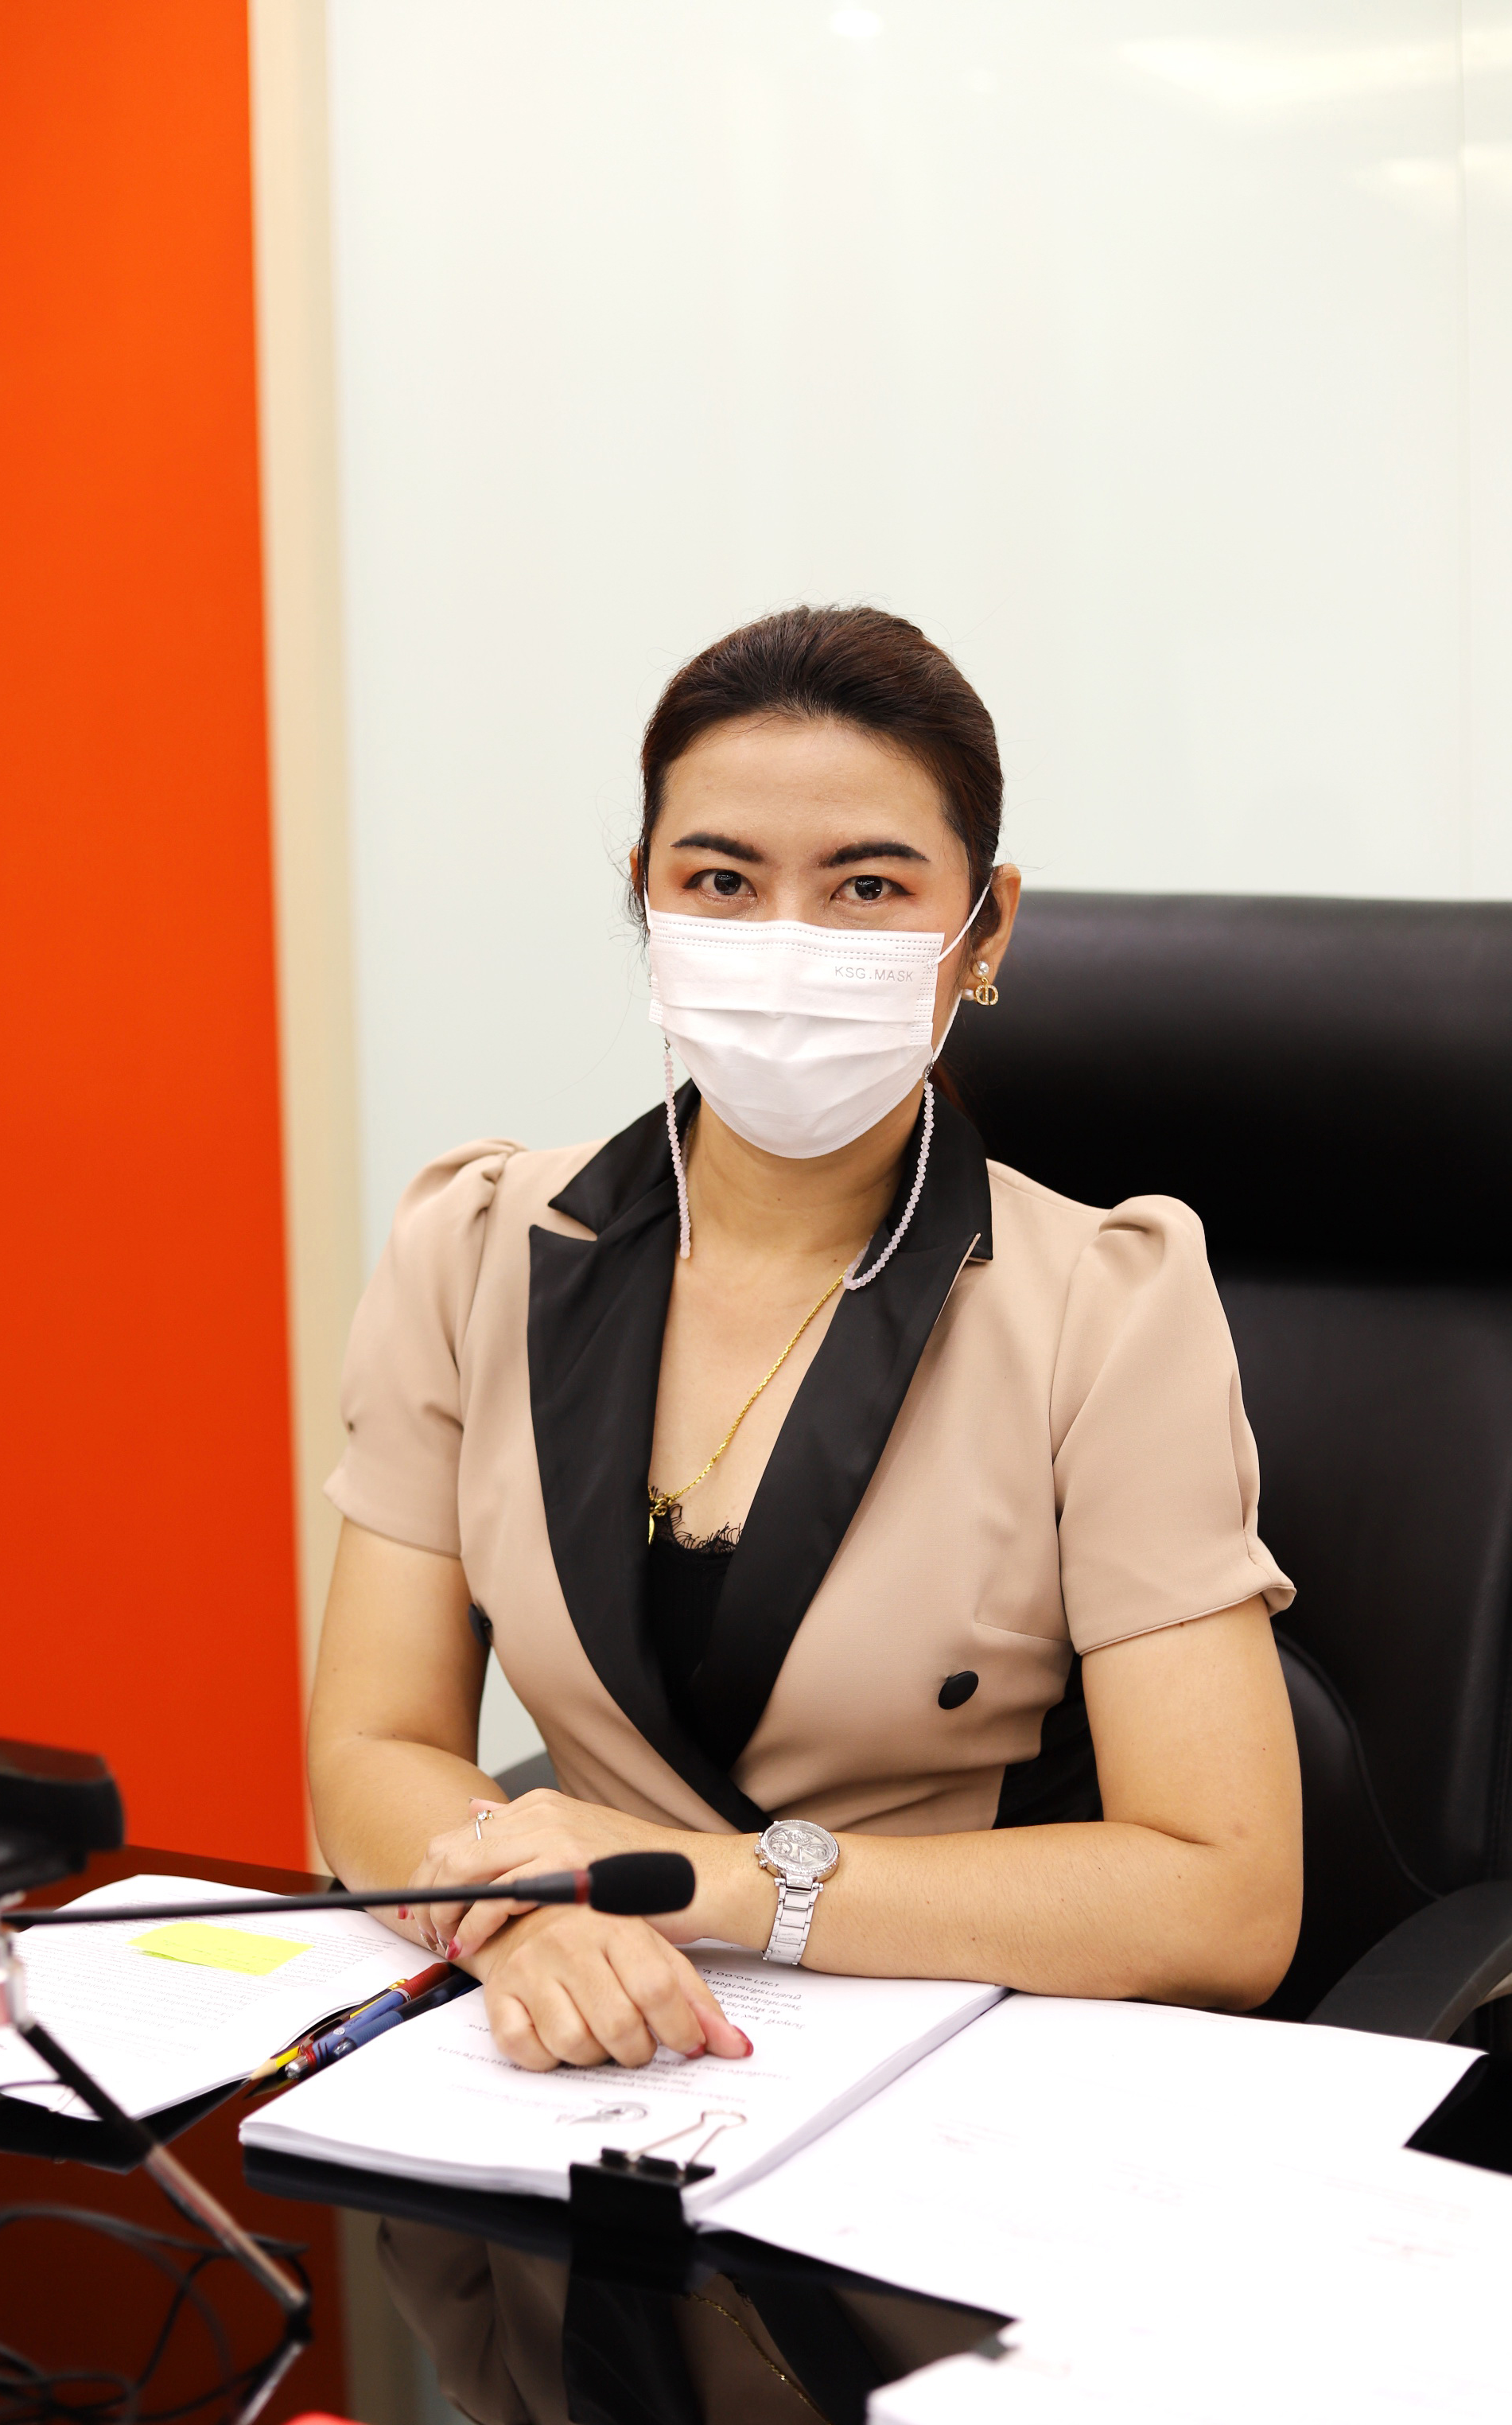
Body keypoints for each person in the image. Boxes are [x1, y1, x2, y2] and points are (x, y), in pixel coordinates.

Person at [309, 605, 1302, 2074]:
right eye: (720, 880)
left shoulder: (1108, 1301)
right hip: (581, 2058)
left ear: (985, 930)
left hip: (961, 2073)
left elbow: (1225, 1898)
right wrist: (518, 1917)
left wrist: (708, 1886)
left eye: (867, 886)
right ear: (646, 901)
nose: (785, 941)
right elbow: (372, 1747)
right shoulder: (473, 1245)